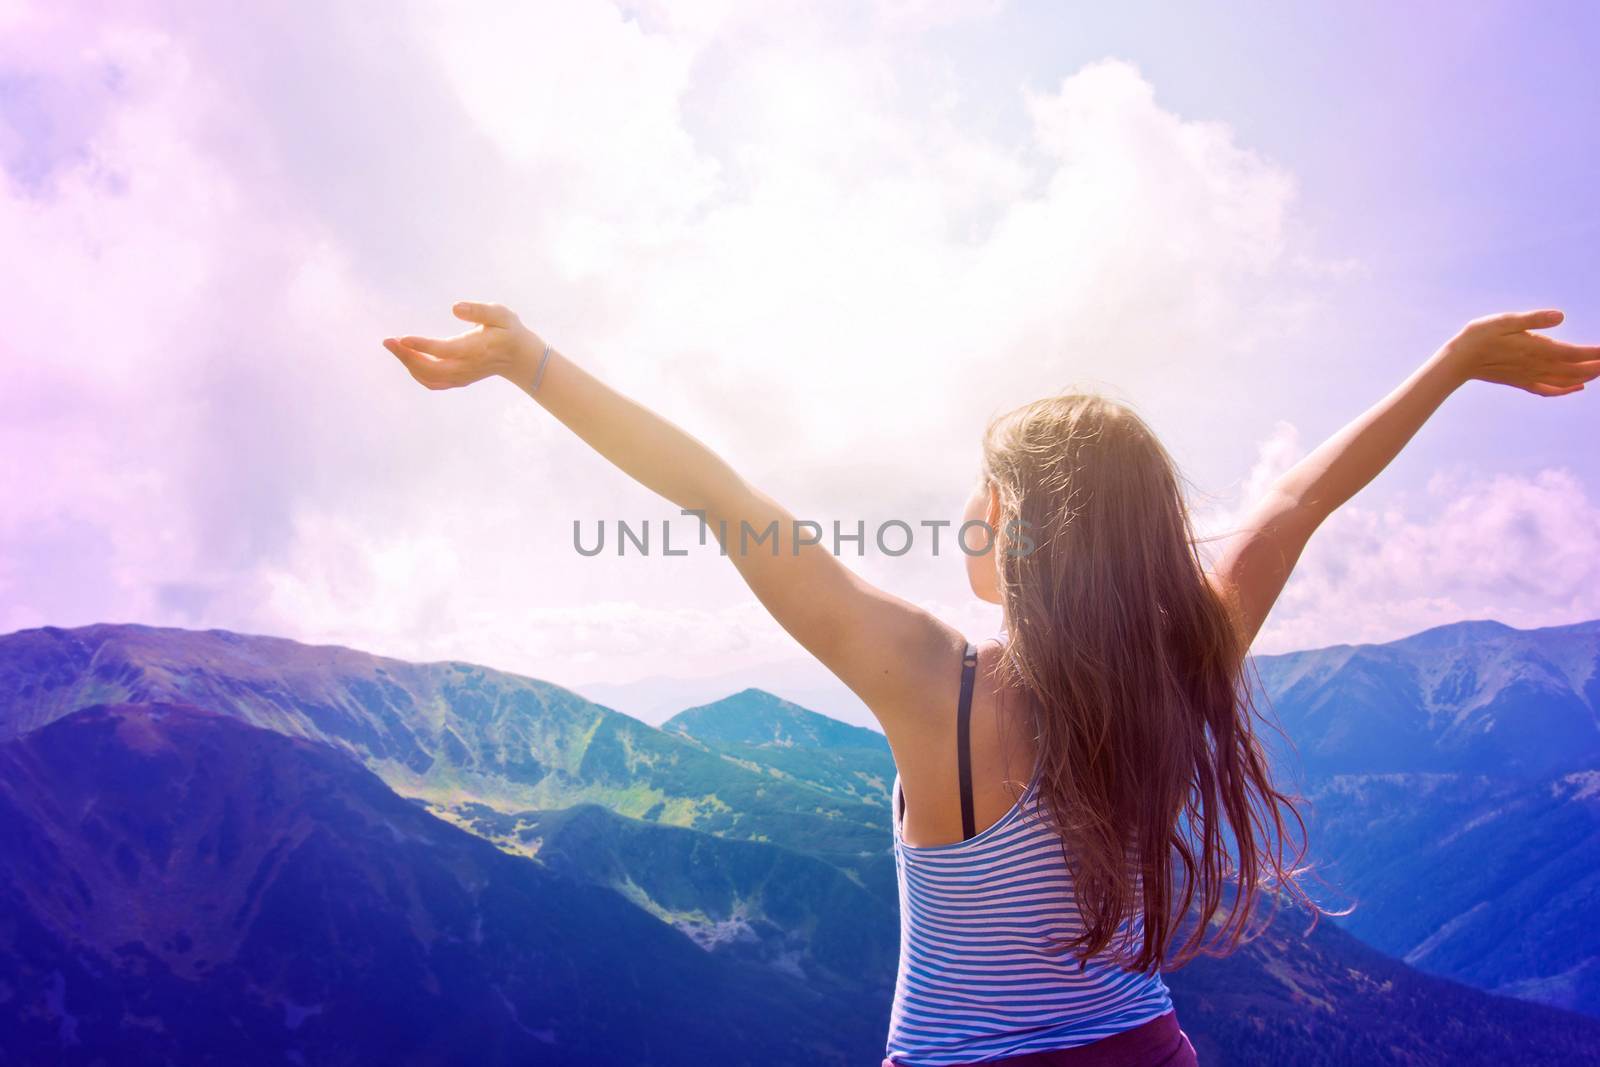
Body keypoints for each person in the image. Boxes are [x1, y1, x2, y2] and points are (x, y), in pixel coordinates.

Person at [382, 305, 1597, 1066]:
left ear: (1015, 521)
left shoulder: (930, 683)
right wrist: (1448, 365)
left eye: (981, 488)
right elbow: (1299, 501)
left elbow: (717, 494)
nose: (963, 508)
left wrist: (532, 365)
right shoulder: (1186, 659)